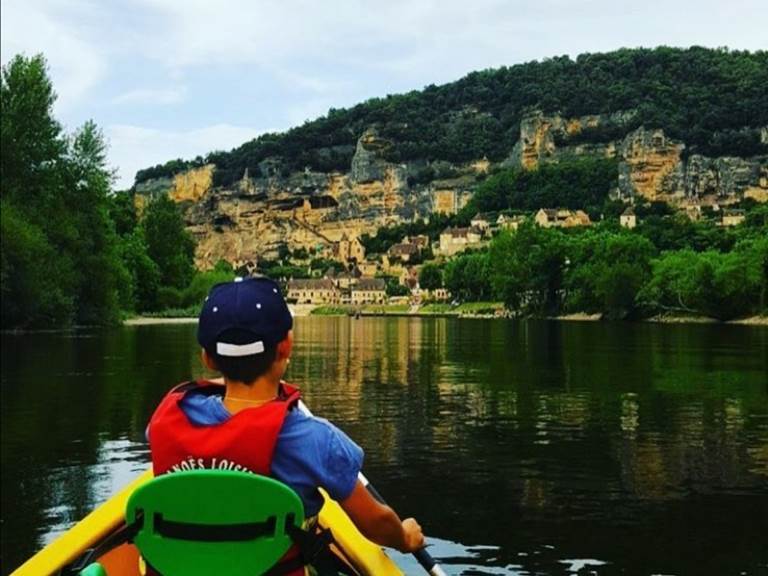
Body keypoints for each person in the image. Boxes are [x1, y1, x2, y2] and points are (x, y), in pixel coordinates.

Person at [147, 276, 424, 572]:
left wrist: (234, 378)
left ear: (207, 358)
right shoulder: (317, 441)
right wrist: (405, 537)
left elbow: (205, 397)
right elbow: (377, 524)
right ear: (286, 346)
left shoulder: (167, 418)